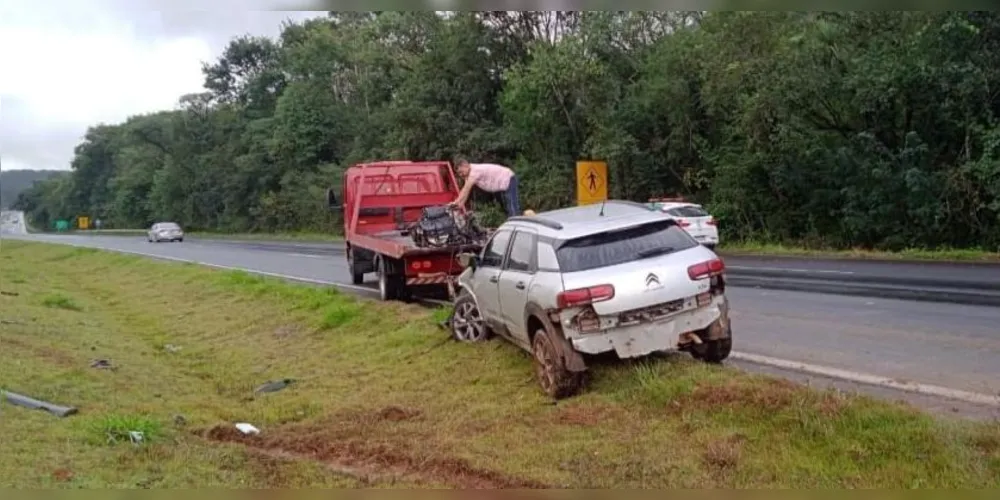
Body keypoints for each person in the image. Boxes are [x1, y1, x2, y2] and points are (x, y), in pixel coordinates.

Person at [449, 158, 521, 217]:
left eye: (461, 171)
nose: (461, 175)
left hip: (508, 178)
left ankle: (517, 226)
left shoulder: (474, 171)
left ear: (465, 165)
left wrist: (456, 202)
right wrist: (460, 204)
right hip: (502, 184)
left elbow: (467, 189)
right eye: (459, 173)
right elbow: (464, 190)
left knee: (513, 207)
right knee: (508, 207)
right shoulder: (469, 174)